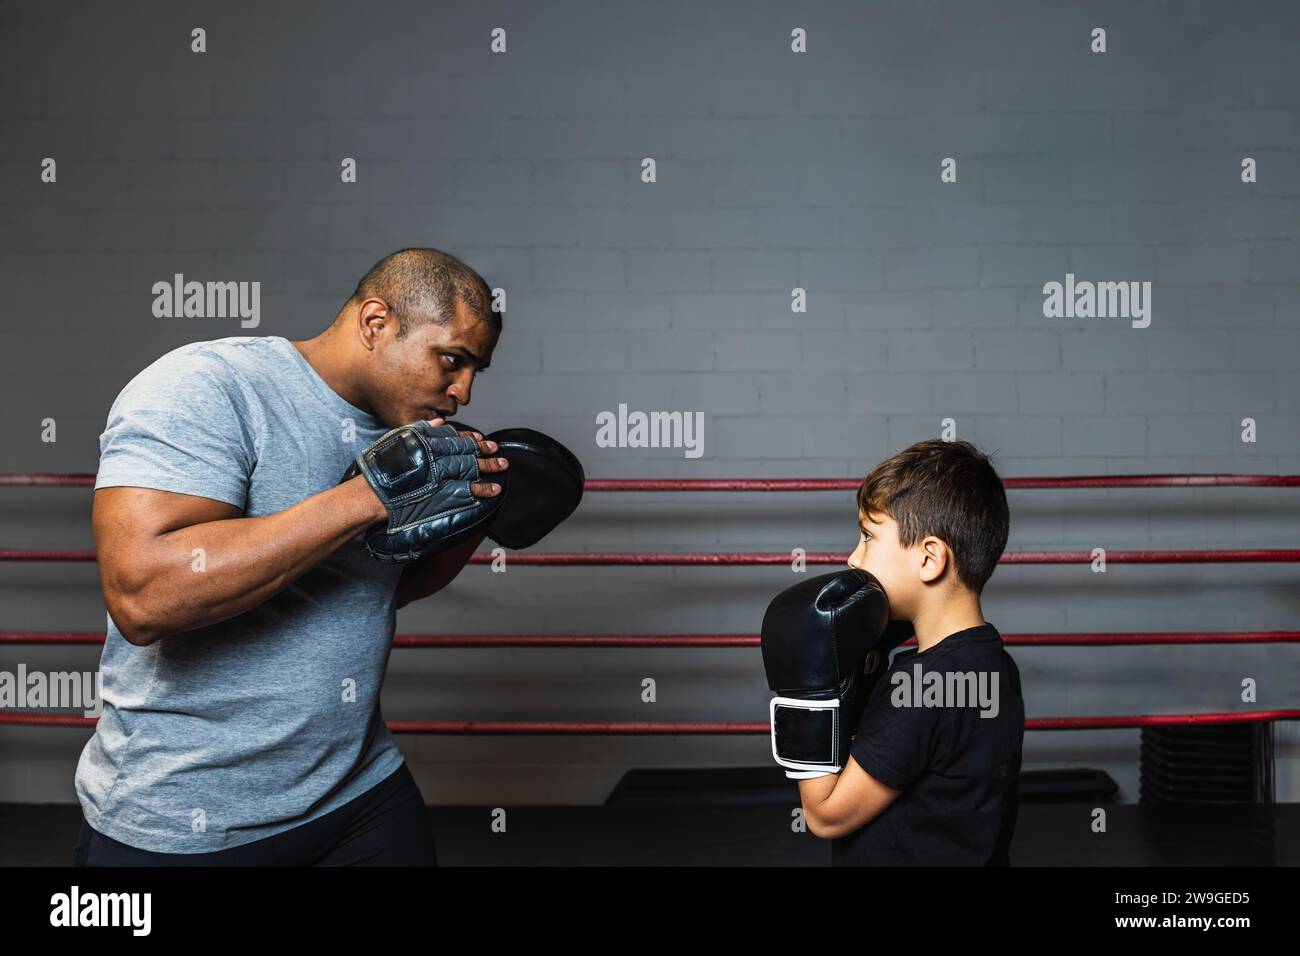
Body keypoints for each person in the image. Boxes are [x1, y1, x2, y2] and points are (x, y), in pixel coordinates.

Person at [74, 248, 578, 866]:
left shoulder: (405, 434)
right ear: (376, 323)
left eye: (477, 371)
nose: (463, 392)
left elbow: (381, 586)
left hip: (357, 791)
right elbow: (143, 596)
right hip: (188, 811)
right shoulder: (207, 386)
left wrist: (481, 512)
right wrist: (364, 499)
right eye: (452, 360)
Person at [762, 438, 1023, 865]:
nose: (852, 557)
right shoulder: (993, 664)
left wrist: (807, 693)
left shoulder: (921, 686)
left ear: (929, 559)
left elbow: (825, 816)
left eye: (868, 536)